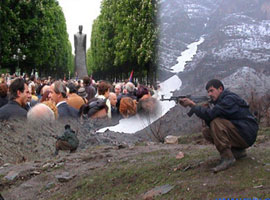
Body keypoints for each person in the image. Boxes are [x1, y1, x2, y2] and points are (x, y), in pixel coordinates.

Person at [179, 79, 258, 172]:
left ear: (220, 89)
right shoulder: (222, 101)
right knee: (207, 132)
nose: (210, 94)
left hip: (246, 133)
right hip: (242, 132)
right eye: (208, 92)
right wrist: (202, 108)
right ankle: (238, 152)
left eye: (211, 91)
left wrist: (193, 105)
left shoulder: (229, 99)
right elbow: (212, 120)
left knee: (216, 122)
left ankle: (227, 158)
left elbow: (212, 116)